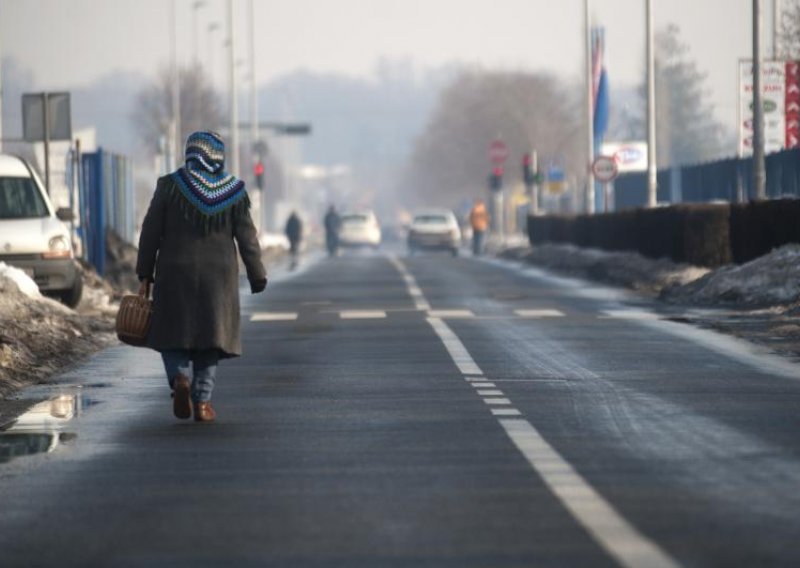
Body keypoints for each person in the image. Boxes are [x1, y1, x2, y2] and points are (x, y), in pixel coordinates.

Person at [136, 131, 267, 423]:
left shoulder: (169, 186)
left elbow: (150, 232)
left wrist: (145, 271)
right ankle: (203, 401)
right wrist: (256, 273)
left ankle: (180, 379)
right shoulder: (234, 191)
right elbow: (247, 237)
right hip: (217, 279)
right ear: (218, 157)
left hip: (173, 273)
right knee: (212, 337)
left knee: (172, 335)